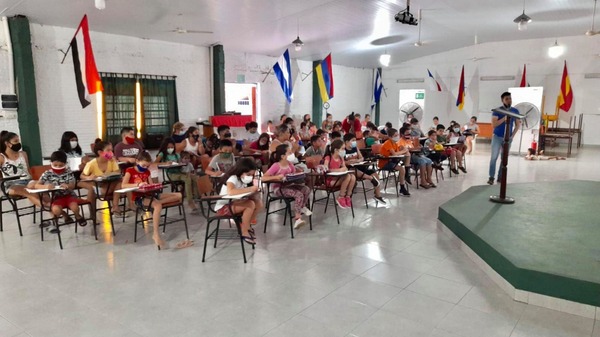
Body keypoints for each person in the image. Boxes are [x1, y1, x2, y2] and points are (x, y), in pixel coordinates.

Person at [122, 152, 183, 249]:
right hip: (139, 198)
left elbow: (150, 185)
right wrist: (138, 185)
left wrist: (155, 186)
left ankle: (157, 203)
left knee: (179, 195)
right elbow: (123, 185)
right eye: (143, 165)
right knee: (157, 206)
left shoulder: (147, 172)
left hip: (150, 195)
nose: (145, 168)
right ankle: (156, 234)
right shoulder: (130, 171)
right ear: (137, 161)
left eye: (147, 166)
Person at [36, 151, 87, 233]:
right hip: (56, 198)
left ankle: (78, 216)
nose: (58, 167)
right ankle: (60, 220)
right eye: (55, 165)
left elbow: (73, 185)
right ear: (51, 163)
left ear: (65, 164)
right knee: (56, 210)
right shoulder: (47, 173)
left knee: (75, 207)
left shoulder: (68, 172)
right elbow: (37, 185)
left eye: (61, 165)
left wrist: (68, 185)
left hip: (69, 196)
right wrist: (46, 186)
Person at [263, 144, 312, 229]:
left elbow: (293, 174)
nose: (291, 154)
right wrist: (276, 177)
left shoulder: (290, 165)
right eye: (289, 153)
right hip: (279, 189)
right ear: (283, 156)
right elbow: (263, 178)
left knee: (306, 189)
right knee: (298, 194)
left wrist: (298, 174)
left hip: (290, 185)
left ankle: (302, 206)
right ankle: (298, 218)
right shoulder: (276, 165)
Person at [214, 157, 260, 244]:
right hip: (223, 208)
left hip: (233, 204)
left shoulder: (242, 180)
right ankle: (244, 231)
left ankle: (247, 225)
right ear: (241, 171)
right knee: (250, 204)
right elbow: (231, 192)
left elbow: (241, 194)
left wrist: (254, 193)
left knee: (258, 203)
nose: (250, 177)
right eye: (248, 174)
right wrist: (250, 189)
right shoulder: (233, 178)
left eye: (251, 175)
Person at [155, 138, 199, 212]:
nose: (170, 149)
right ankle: (190, 202)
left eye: (172, 147)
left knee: (194, 177)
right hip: (171, 174)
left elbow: (180, 163)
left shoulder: (176, 155)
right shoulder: (162, 154)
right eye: (168, 147)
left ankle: (197, 197)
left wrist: (182, 163)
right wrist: (165, 163)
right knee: (187, 178)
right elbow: (155, 163)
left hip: (179, 172)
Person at [80, 140, 122, 213]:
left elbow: (117, 172)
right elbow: (82, 176)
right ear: (100, 152)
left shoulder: (112, 161)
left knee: (119, 182)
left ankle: (115, 206)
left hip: (109, 184)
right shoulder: (91, 164)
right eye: (108, 150)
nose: (111, 153)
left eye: (111, 150)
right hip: (98, 185)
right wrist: (89, 177)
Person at [0, 131, 41, 207]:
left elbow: (28, 169)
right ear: (7, 143)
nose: (18, 143)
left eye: (18, 141)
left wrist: (36, 180)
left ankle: (55, 212)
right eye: (15, 141)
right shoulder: (2, 157)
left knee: (43, 189)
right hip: (12, 184)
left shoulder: (23, 154)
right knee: (28, 192)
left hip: (28, 180)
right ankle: (52, 209)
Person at [343, 133, 386, 204]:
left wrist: (357, 160)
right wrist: (349, 162)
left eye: (355, 140)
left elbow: (361, 158)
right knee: (353, 171)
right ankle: (370, 178)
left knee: (374, 173)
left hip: (360, 166)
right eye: (353, 140)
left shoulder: (355, 148)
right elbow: (343, 162)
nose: (355, 142)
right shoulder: (343, 150)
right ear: (347, 142)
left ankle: (377, 195)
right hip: (350, 169)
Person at [489, 92, 521, 185]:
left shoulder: (515, 111)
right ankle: (491, 177)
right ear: (502, 100)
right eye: (506, 99)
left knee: (504, 159)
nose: (509, 100)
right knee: (494, 157)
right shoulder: (497, 110)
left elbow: (517, 124)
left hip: (507, 138)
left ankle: (500, 177)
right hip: (497, 137)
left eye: (510, 98)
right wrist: (504, 118)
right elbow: (494, 124)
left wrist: (512, 136)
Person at [323, 139, 356, 209]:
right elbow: (326, 170)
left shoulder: (341, 158)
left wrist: (343, 168)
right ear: (336, 150)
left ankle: (348, 196)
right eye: (343, 149)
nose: (344, 151)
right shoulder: (328, 157)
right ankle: (340, 196)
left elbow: (345, 168)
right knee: (347, 177)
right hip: (330, 181)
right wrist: (339, 170)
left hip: (339, 179)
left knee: (352, 177)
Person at [378, 128, 410, 196]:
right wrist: (404, 151)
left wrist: (403, 150)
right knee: (401, 169)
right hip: (385, 163)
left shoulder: (395, 144)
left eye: (397, 135)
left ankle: (407, 172)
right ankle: (402, 187)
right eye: (395, 135)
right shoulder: (387, 143)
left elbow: (398, 152)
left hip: (393, 161)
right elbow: (394, 154)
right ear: (390, 137)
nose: (397, 137)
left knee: (408, 155)